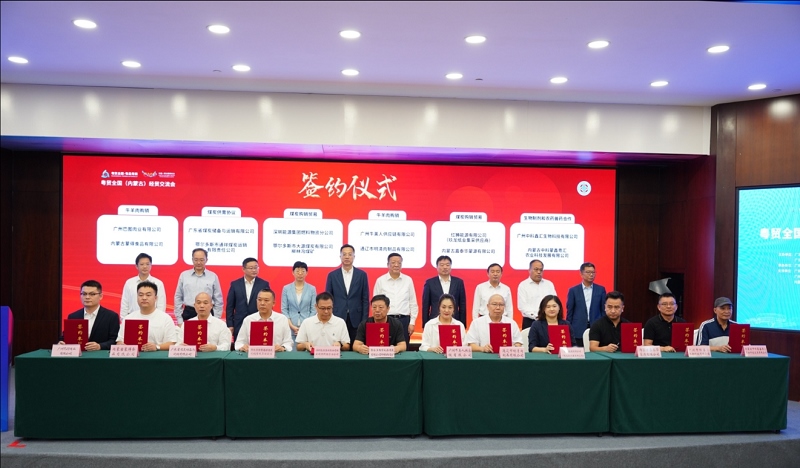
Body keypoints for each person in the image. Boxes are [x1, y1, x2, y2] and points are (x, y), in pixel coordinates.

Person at [324, 244, 369, 345]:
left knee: (355, 346)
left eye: (349, 254)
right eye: (344, 254)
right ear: (340, 256)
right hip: (337, 316)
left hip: (357, 318)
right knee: (338, 346)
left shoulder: (362, 275)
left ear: (354, 256)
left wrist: (364, 320)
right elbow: (328, 299)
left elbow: (365, 299)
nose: (347, 257)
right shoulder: (332, 275)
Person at [58, 279, 120, 350]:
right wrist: (61, 342)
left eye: (92, 294)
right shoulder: (73, 316)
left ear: (101, 296)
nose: (87, 297)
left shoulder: (111, 316)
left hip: (100, 355)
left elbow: (114, 340)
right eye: (84, 294)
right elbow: (65, 337)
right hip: (79, 355)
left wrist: (100, 346)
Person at [116, 281, 177, 351]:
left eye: (148, 295)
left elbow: (172, 343)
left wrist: (157, 347)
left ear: (156, 298)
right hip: (133, 356)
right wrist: (121, 345)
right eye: (141, 295)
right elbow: (119, 341)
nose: (144, 298)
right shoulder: (128, 318)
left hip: (156, 356)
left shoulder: (165, 318)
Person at [372, 253, 418, 343]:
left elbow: (413, 303)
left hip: (404, 320)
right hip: (385, 320)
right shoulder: (380, 280)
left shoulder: (408, 280)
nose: (396, 265)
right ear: (388, 264)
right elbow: (375, 303)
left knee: (403, 348)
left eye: (399, 263)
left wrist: (412, 322)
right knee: (384, 347)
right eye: (393, 262)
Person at [174, 248, 223, 324]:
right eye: (196, 260)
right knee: (189, 332)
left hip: (208, 314)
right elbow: (178, 297)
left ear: (206, 260)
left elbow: (218, 300)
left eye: (201, 260)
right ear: (192, 260)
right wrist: (179, 320)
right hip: (189, 313)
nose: (198, 262)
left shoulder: (213, 276)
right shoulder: (184, 275)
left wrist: (216, 319)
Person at [226, 257, 270, 340]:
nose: (254, 270)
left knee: (258, 345)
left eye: (256, 267)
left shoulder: (264, 284)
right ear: (243, 269)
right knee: (239, 346)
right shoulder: (235, 284)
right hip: (239, 323)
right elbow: (230, 306)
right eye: (251, 268)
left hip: (258, 321)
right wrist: (230, 324)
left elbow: (268, 304)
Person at [566, 262, 607, 347]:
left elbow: (603, 310)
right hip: (578, 327)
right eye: (588, 272)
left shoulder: (601, 289)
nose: (591, 274)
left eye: (593, 272)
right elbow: (570, 311)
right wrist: (568, 328)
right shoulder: (573, 290)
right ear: (581, 274)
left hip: (596, 326)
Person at [421, 255, 467, 326]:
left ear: (451, 266)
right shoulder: (430, 283)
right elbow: (425, 306)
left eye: (447, 265)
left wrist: (463, 324)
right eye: (442, 265)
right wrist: (425, 324)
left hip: (454, 321)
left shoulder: (458, 282)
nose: (445, 267)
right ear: (437, 267)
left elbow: (462, 305)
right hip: (434, 321)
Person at [120, 253, 166, 318]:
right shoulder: (129, 283)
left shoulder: (158, 283)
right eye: (142, 264)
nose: (145, 266)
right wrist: (124, 320)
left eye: (147, 264)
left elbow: (161, 305)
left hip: (152, 319)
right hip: (133, 319)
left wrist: (159, 319)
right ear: (136, 266)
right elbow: (125, 304)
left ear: (151, 265)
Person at [281, 261, 317, 342]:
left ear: (306, 273)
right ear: (293, 272)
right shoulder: (286, 288)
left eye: (303, 271)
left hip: (307, 326)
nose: (300, 273)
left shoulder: (312, 289)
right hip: (290, 326)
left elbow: (313, 309)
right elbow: (284, 309)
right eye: (297, 271)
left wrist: (304, 326)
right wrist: (291, 326)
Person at [517, 259, 558, 330]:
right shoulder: (523, 285)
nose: (539, 272)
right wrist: (538, 316)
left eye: (541, 270)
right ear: (529, 270)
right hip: (530, 321)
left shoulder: (549, 284)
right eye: (536, 269)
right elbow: (522, 306)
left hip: (548, 320)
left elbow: (555, 301)